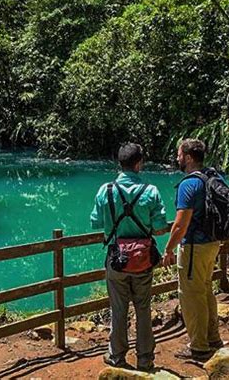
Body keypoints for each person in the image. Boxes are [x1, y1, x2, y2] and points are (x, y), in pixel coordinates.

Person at [90, 143, 169, 371]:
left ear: (119, 164)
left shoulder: (105, 190)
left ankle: (117, 356)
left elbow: (96, 222)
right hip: (143, 260)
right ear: (139, 163)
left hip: (116, 260)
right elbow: (161, 227)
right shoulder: (151, 191)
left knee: (118, 309)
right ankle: (145, 359)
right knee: (143, 308)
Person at [162, 138, 222, 361]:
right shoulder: (214, 176)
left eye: (179, 155)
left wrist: (168, 249)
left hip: (194, 246)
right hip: (213, 243)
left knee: (190, 295)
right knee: (205, 289)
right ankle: (213, 337)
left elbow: (180, 224)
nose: (177, 158)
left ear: (187, 157)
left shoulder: (189, 184)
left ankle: (198, 346)